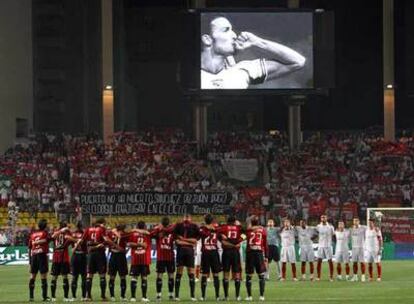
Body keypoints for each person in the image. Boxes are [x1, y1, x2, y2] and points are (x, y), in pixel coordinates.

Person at [201, 16, 306, 89]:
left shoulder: (242, 71)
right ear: (207, 39)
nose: (234, 35)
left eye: (232, 30)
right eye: (225, 30)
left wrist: (257, 42)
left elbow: (298, 61)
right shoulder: (189, 76)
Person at [82, 218, 115, 301]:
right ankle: (103, 296)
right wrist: (110, 243)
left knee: (89, 275)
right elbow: (106, 239)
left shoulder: (87, 229)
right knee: (102, 275)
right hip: (100, 254)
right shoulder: (101, 229)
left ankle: (88, 296)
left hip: (91, 254)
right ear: (100, 223)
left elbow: (82, 241)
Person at [173, 214, 200, 301]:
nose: (187, 219)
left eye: (188, 217)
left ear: (191, 218)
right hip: (181, 251)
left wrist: (183, 240)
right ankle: (176, 296)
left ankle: (192, 296)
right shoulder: (178, 226)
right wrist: (190, 242)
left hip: (189, 252)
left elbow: (195, 241)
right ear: (183, 218)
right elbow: (177, 241)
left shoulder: (194, 227)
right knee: (179, 273)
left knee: (191, 273)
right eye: (185, 217)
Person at [50, 221, 77, 301]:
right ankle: (65, 297)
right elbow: (72, 239)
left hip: (56, 256)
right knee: (65, 276)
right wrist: (75, 239)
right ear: (65, 226)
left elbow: (52, 237)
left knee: (54, 277)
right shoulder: (66, 232)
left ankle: (53, 297)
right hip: (63, 256)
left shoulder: (56, 232)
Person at [219, 215, 243, 301]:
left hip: (226, 252)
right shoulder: (238, 228)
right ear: (234, 221)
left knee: (226, 273)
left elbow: (218, 235)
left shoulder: (223, 228)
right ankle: (237, 296)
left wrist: (223, 238)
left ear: (227, 221)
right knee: (236, 273)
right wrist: (239, 241)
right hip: (235, 252)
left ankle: (226, 296)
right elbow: (245, 235)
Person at [151, 217, 176, 301]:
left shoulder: (158, 230)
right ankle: (171, 294)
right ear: (168, 223)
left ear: (161, 223)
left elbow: (151, 234)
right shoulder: (172, 231)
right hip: (170, 256)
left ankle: (158, 295)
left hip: (161, 257)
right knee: (171, 275)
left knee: (159, 276)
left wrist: (158, 227)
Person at [199, 214, 222, 301]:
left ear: (205, 220)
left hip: (206, 253)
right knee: (216, 274)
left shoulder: (202, 229)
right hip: (214, 253)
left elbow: (199, 234)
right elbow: (220, 236)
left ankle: (203, 296)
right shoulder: (216, 229)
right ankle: (217, 296)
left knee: (204, 274)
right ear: (212, 220)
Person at [245, 216, 267, 301]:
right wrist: (267, 256)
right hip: (259, 253)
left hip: (250, 253)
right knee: (261, 275)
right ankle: (261, 296)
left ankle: (249, 296)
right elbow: (265, 244)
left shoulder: (248, 230)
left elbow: (242, 235)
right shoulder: (262, 230)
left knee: (249, 276)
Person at [28, 219, 51, 302]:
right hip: (42, 255)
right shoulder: (45, 233)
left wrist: (30, 262)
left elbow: (29, 248)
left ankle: (31, 297)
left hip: (34, 256)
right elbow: (50, 239)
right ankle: (44, 297)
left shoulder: (32, 234)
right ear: (45, 226)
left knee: (32, 276)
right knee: (43, 276)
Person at [128, 221, 151, 302]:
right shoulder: (147, 234)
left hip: (135, 259)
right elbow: (148, 232)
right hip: (144, 259)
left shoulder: (133, 233)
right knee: (144, 277)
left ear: (137, 226)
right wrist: (141, 245)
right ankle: (144, 297)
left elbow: (129, 244)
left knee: (134, 278)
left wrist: (135, 230)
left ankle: (133, 297)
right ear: (144, 226)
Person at [107, 223, 129, 301]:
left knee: (112, 276)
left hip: (113, 255)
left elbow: (107, 240)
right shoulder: (125, 234)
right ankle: (122, 296)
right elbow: (128, 244)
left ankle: (112, 296)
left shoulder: (111, 233)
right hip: (120, 256)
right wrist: (125, 250)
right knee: (122, 276)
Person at [70, 222, 87, 301]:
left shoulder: (73, 234)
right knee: (83, 277)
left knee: (74, 277)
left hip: (75, 256)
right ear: (82, 226)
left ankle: (73, 296)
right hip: (83, 256)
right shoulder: (84, 233)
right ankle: (83, 296)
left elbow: (70, 243)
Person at [315, 214, 334, 281]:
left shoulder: (330, 227)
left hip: (328, 246)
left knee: (330, 261)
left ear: (327, 218)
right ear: (320, 219)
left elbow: (333, 235)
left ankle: (331, 277)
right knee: (319, 261)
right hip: (320, 246)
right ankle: (318, 277)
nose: (323, 218)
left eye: (324, 217)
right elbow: (316, 234)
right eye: (322, 217)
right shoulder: (318, 226)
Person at [350, 217, 367, 282]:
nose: (355, 222)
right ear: (353, 222)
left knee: (362, 262)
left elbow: (371, 229)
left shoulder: (363, 228)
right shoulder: (351, 229)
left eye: (357, 221)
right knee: (354, 262)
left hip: (361, 247)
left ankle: (363, 276)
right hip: (354, 248)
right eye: (354, 221)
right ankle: (355, 276)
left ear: (359, 221)